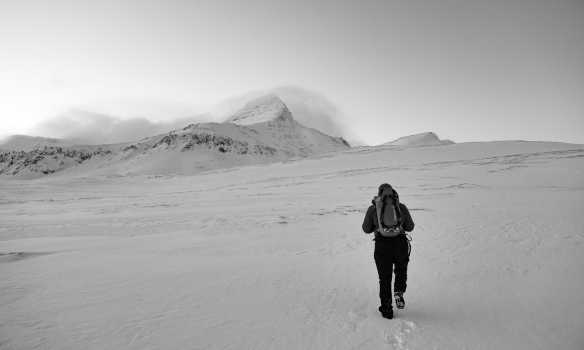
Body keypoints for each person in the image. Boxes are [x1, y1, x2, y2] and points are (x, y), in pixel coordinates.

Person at [362, 183, 415, 319]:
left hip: (382, 245)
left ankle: (386, 310)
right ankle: (398, 289)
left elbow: (366, 229)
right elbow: (410, 227)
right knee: (401, 270)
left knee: (384, 278)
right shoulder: (400, 207)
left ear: (379, 194)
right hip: (400, 244)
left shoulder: (373, 208)